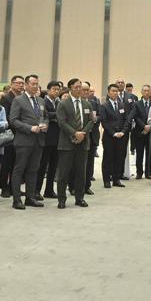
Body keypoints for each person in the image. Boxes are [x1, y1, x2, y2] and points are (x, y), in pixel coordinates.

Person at [6, 75, 48, 210]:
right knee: (19, 170)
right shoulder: (18, 100)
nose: (36, 86)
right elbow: (13, 120)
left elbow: (45, 117)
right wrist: (29, 128)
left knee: (33, 170)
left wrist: (45, 125)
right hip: (24, 141)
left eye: (37, 84)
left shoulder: (41, 101)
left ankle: (30, 198)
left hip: (38, 141)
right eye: (33, 84)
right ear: (26, 85)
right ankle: (17, 200)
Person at [54, 80, 93, 208]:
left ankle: (79, 198)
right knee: (64, 173)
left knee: (81, 173)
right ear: (70, 88)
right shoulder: (63, 104)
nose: (79, 89)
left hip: (83, 143)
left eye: (80, 87)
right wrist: (75, 133)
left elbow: (91, 121)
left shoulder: (87, 104)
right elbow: (62, 122)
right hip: (67, 143)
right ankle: (61, 199)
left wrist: (82, 133)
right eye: (76, 87)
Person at [99, 83, 131, 189]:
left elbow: (127, 119)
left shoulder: (122, 105)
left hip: (121, 136)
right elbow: (104, 122)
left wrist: (123, 131)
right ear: (108, 92)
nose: (115, 93)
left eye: (116, 91)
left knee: (119, 158)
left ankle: (116, 179)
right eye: (113, 91)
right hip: (109, 137)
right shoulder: (104, 106)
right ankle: (107, 180)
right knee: (108, 158)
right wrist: (113, 133)